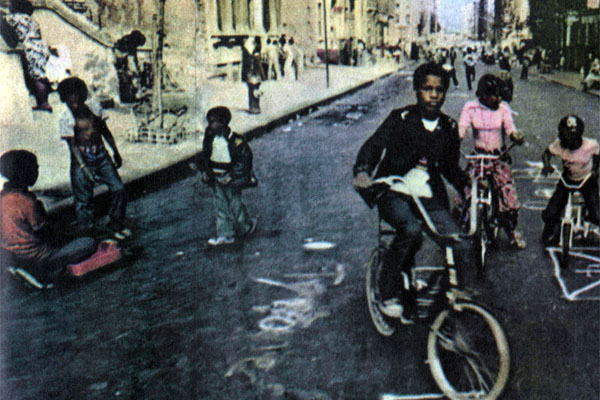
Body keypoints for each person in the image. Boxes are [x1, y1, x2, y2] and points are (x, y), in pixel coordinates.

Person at [353, 63, 471, 321]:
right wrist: (363, 171)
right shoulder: (401, 119)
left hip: (427, 195)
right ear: (417, 90)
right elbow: (373, 146)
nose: (433, 95)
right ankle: (388, 289)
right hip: (393, 190)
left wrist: (467, 184)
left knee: (456, 240)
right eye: (427, 89)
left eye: (439, 90)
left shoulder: (449, 127)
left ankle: (444, 301)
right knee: (410, 230)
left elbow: (450, 167)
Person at [0, 150, 97, 283]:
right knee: (89, 243)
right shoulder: (26, 202)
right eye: (35, 168)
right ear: (24, 173)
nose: (37, 171)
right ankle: (44, 271)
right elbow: (46, 235)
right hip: (39, 258)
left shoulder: (3, 197)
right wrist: (74, 235)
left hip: (13, 257)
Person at [458, 74, 526, 248]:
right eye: (495, 95)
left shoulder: (503, 108)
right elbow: (461, 128)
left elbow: (510, 127)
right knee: (465, 193)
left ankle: (512, 232)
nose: (499, 99)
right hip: (478, 156)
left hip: (498, 157)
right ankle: (463, 228)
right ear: (483, 95)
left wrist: (515, 136)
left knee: (508, 196)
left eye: (500, 95)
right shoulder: (470, 107)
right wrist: (455, 138)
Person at [57, 77, 130, 239]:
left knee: (118, 189)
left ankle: (116, 224)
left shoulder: (94, 109)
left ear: (82, 97)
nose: (74, 105)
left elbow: (105, 131)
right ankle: (87, 235)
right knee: (83, 201)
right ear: (65, 100)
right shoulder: (66, 118)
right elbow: (73, 146)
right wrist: (84, 168)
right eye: (71, 102)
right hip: (81, 160)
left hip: (101, 156)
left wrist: (115, 151)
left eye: (77, 100)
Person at [199, 107, 258, 246]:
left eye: (213, 122)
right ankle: (225, 233)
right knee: (221, 206)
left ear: (223, 123)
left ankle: (244, 227)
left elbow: (244, 161)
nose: (210, 125)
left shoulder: (236, 141)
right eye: (210, 122)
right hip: (216, 177)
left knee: (235, 204)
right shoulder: (209, 139)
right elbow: (205, 157)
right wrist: (205, 171)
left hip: (231, 179)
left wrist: (232, 175)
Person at [540, 115, 599, 245]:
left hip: (587, 180)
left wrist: (595, 170)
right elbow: (546, 153)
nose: (568, 142)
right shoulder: (560, 144)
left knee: (596, 215)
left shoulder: (590, 145)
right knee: (550, 213)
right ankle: (550, 231)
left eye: (572, 138)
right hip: (568, 179)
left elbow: (597, 156)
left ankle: (588, 216)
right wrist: (546, 165)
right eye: (565, 137)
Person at [2, 0, 52, 111]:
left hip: (30, 48)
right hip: (40, 47)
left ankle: (43, 103)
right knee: (39, 76)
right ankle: (44, 101)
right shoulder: (33, 21)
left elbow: (6, 25)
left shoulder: (13, 18)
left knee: (34, 77)